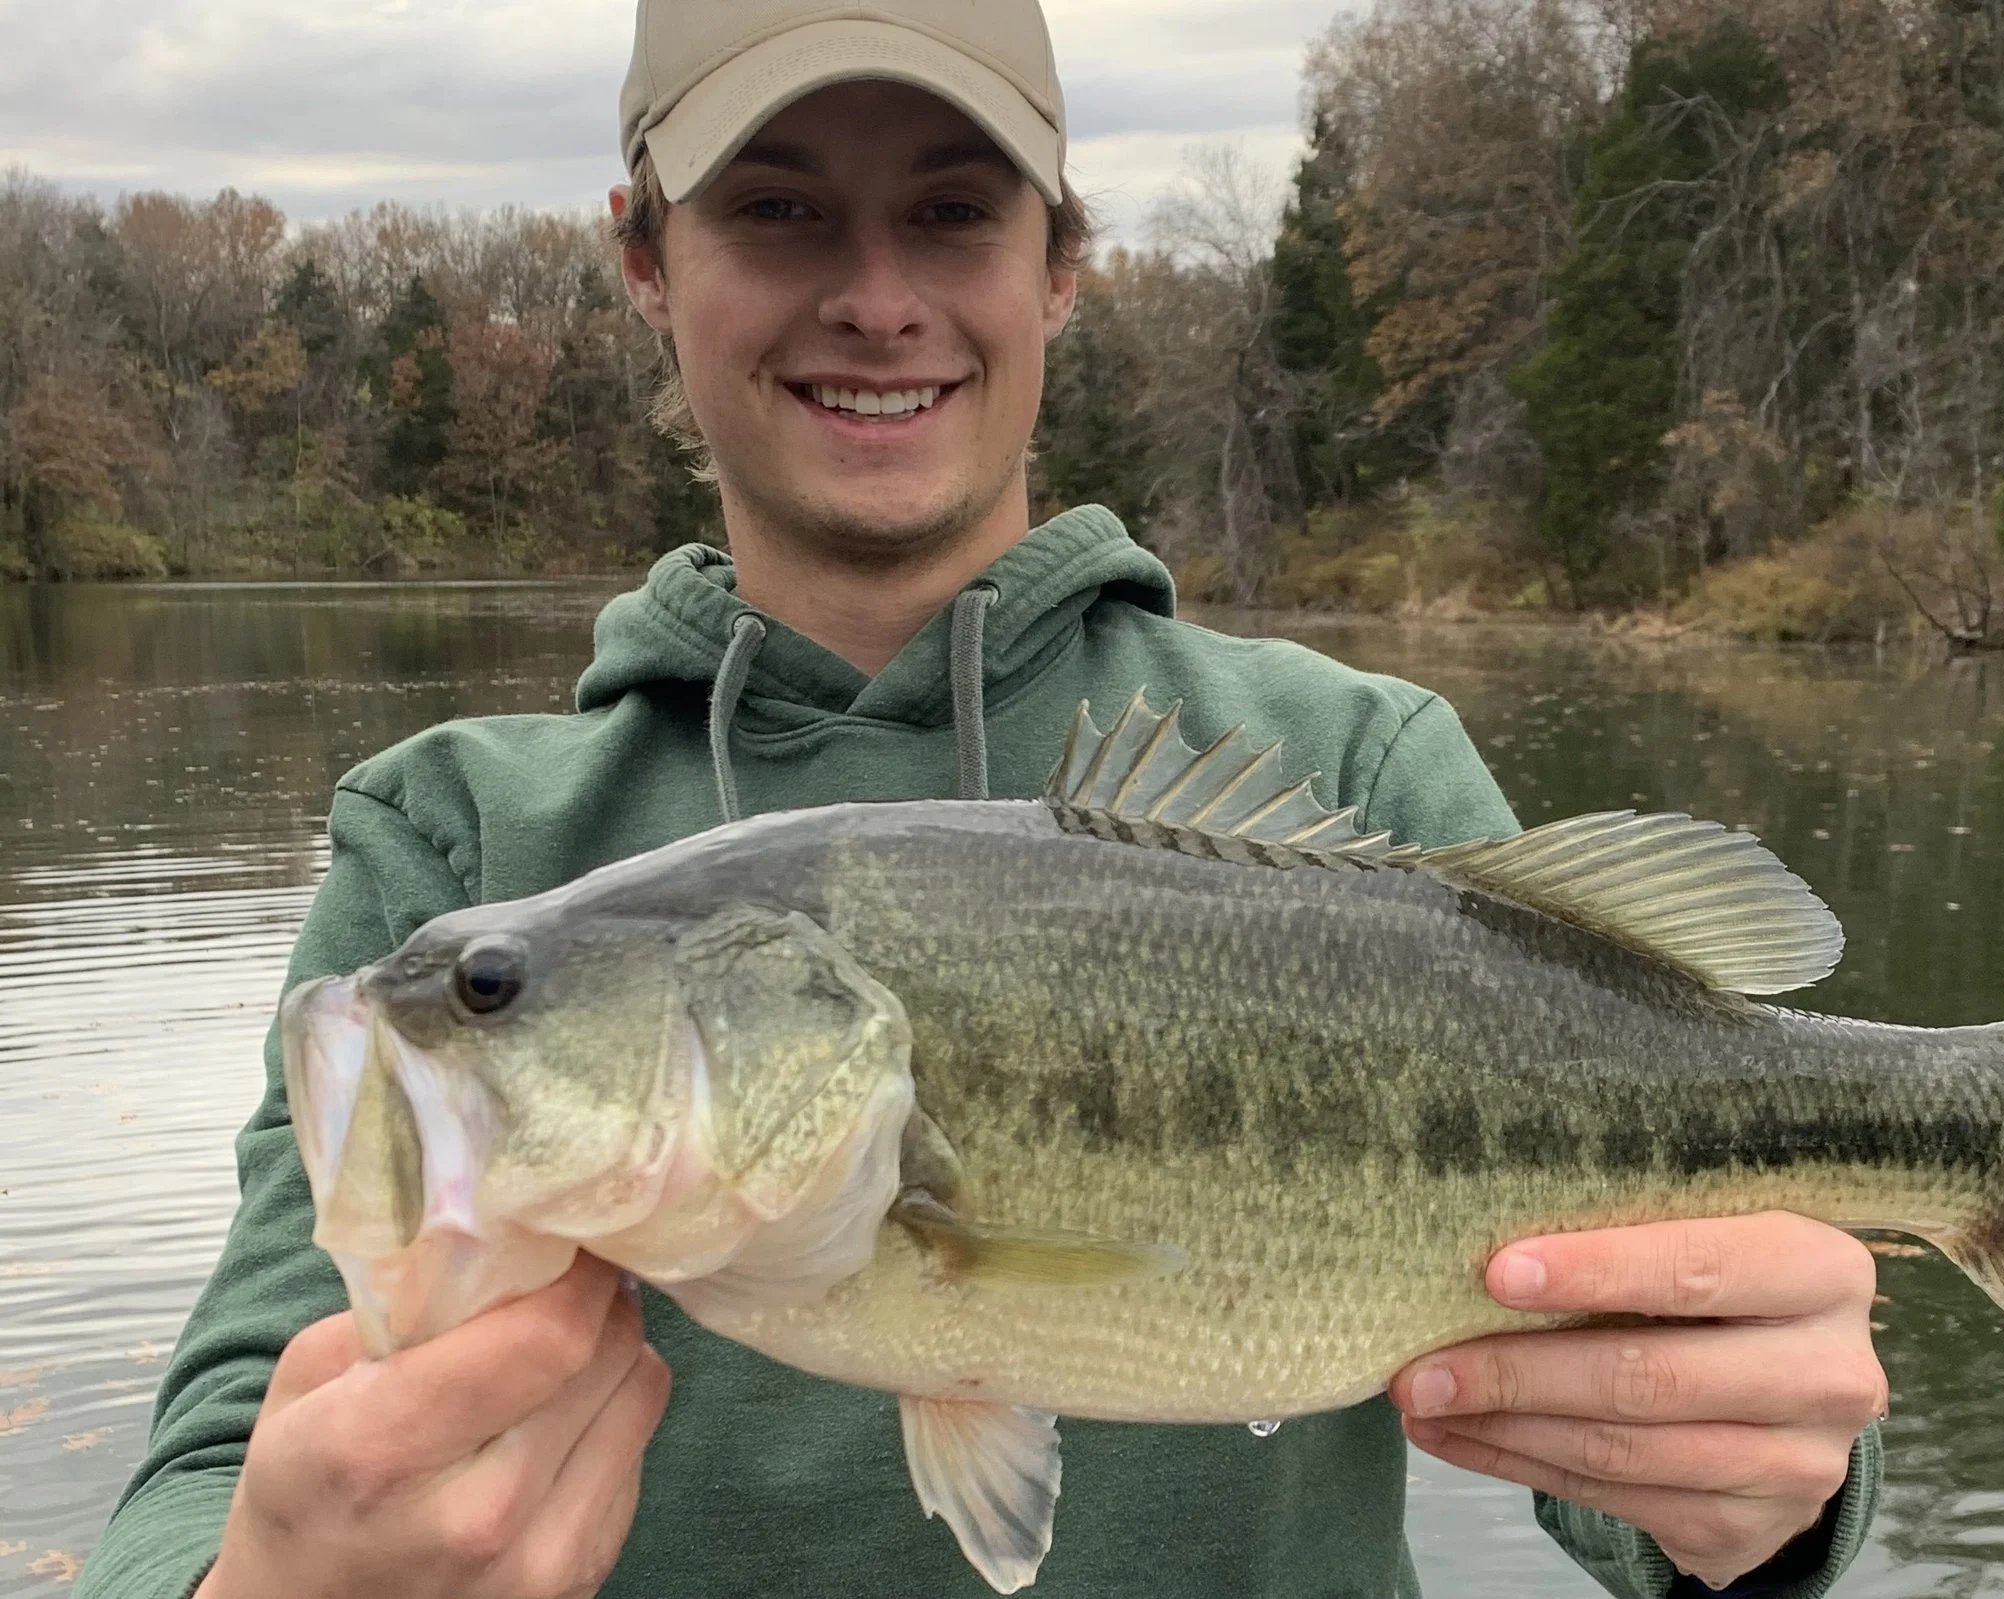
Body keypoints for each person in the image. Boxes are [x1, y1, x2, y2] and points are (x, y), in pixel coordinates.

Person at [80, 3, 1886, 1596]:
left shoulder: (1353, 776)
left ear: (1062, 260)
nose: (877, 297)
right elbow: (215, 1467)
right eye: (777, 207)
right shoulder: (450, 839)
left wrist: (1761, 1504)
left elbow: (1666, 1517)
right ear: (642, 255)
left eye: (953, 207)